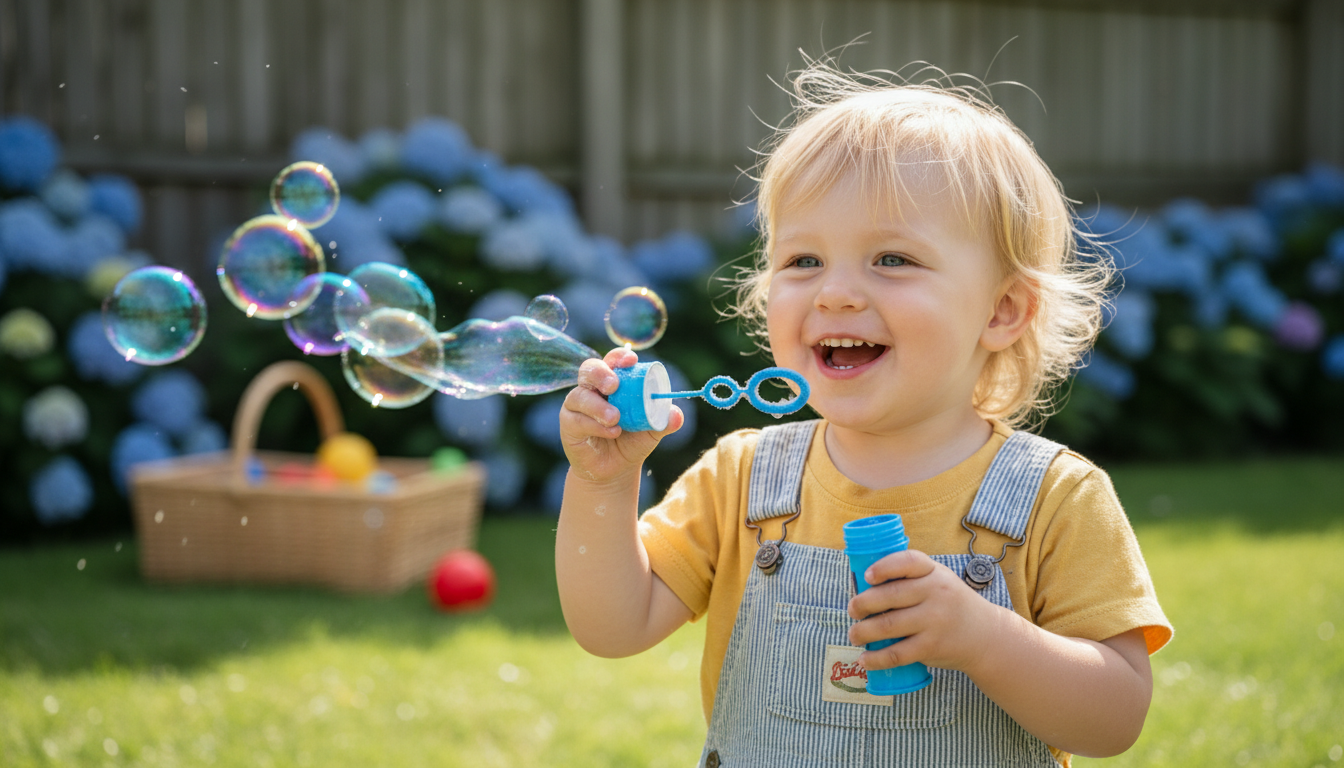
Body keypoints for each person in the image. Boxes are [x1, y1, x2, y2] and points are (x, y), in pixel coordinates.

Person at [555, 61, 1171, 768]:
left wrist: (984, 637)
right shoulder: (742, 479)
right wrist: (601, 484)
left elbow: (1114, 720)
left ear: (1002, 310)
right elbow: (610, 626)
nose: (836, 294)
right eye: (804, 260)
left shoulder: (1054, 498)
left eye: (891, 258)